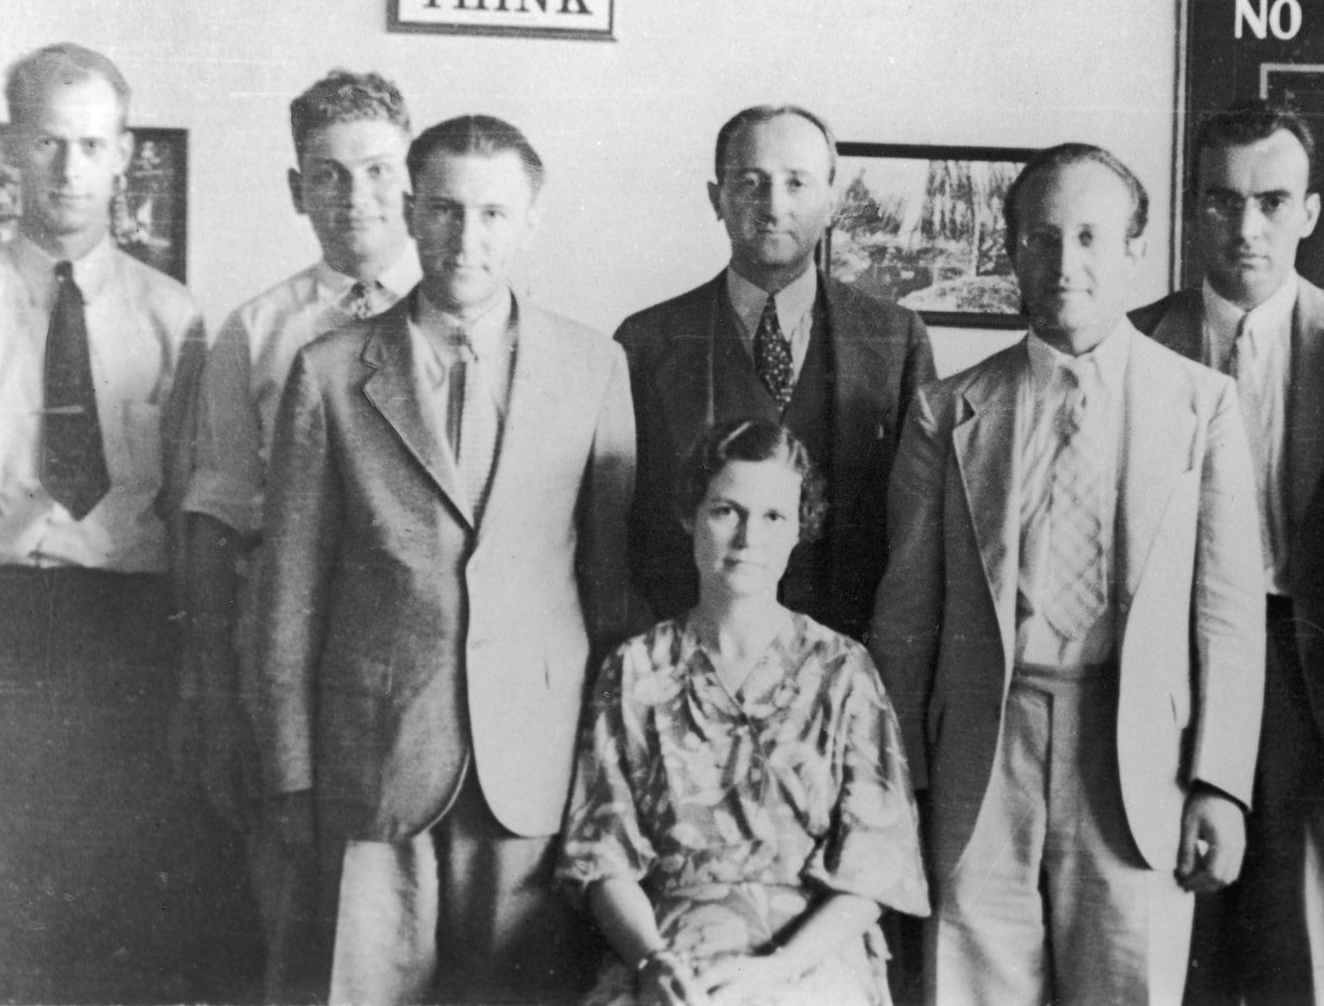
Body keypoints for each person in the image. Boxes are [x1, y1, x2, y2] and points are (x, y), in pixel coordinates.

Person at [251, 113, 643, 1003]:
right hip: (373, 756)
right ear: (409, 211)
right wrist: (291, 771)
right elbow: (288, 593)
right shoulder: (329, 371)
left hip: (534, 760)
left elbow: (609, 588)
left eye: (494, 214)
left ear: (531, 221)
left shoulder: (595, 367)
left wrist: (607, 768)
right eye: (445, 210)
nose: (468, 238)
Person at [870, 143, 1267, 1006]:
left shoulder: (1202, 405)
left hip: (1137, 759)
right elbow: (905, 615)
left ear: (1134, 250)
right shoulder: (948, 409)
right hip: (982, 753)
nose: (1065, 264)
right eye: (1042, 238)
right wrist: (899, 784)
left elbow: (1231, 616)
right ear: (1012, 250)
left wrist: (1221, 784)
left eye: (1090, 237)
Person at [0, 43, 244, 1002]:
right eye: (47, 143)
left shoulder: (173, 316)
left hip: (127, 622)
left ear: (124, 157)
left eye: (91, 145)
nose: (69, 169)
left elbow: (191, 500)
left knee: (122, 884)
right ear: (9, 152)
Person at [1131, 101, 1324, 1006]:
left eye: (1272, 202)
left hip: (1314, 683)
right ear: (1192, 206)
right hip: (1166, 680)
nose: (1246, 227)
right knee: (1167, 953)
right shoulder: (1131, 343)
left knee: (1298, 966)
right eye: (1222, 201)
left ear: (1308, 212)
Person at [179, 68, 423, 999]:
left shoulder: (465, 314)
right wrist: (217, 693)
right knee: (300, 916)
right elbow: (217, 518)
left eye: (377, 170)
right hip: (295, 660)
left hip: (419, 667)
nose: (356, 197)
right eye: (328, 174)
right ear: (296, 188)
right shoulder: (256, 330)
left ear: (410, 179)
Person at [558, 418, 929, 1006]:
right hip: (668, 952)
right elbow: (604, 862)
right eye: (726, 511)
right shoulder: (635, 667)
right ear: (691, 516)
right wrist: (652, 962)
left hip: (809, 957)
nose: (748, 538)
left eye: (774, 517)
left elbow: (876, 871)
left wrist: (776, 973)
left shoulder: (842, 670)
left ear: (799, 529)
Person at [616, 104, 935, 641]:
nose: (773, 206)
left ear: (832, 201)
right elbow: (620, 529)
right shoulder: (645, 341)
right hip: (688, 653)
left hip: (847, 656)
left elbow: (920, 530)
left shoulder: (896, 338)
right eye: (751, 182)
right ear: (717, 199)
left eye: (796, 183)